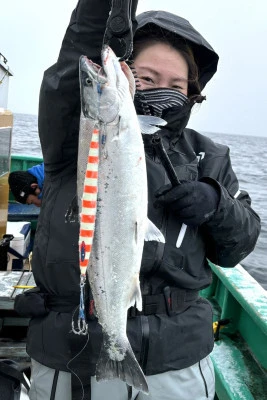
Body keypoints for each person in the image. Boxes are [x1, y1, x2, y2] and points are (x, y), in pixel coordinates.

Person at [17, 1, 260, 400]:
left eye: (176, 85)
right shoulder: (77, 136)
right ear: (127, 78)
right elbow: (71, 72)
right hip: (71, 356)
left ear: (192, 93)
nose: (162, 91)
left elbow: (239, 245)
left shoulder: (209, 157)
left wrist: (217, 206)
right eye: (146, 78)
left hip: (176, 362)